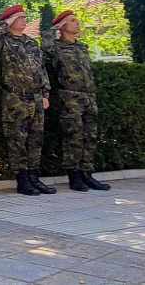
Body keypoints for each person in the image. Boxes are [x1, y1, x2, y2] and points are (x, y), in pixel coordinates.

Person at [0, 5, 56, 196]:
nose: (24, 20)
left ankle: (34, 177)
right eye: (20, 17)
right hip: (16, 98)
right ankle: (22, 180)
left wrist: (45, 93)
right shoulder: (3, 42)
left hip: (36, 98)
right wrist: (4, 24)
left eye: (25, 17)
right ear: (10, 20)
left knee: (35, 141)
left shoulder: (32, 43)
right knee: (17, 140)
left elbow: (42, 70)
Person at [42, 10, 110, 192]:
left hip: (89, 96)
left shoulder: (82, 47)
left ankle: (87, 174)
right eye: (72, 21)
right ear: (63, 26)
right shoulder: (57, 47)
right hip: (70, 97)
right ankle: (74, 176)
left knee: (90, 136)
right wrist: (54, 27)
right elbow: (45, 45)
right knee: (74, 137)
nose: (77, 24)